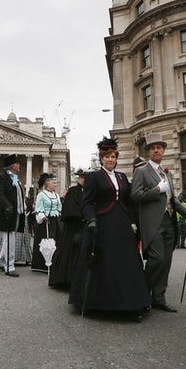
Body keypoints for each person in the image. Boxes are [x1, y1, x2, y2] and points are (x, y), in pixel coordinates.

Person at [69, 137, 151, 321]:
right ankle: (101, 303)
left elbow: (128, 201)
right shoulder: (94, 177)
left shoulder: (122, 177)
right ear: (101, 158)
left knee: (127, 262)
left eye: (113, 156)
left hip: (121, 223)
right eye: (107, 157)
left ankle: (132, 302)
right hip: (102, 224)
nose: (110, 160)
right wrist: (91, 219)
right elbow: (87, 202)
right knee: (105, 262)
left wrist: (134, 219)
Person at [131, 133, 186, 313]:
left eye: (159, 147)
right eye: (153, 148)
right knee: (157, 259)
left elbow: (172, 200)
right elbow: (135, 195)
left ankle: (158, 298)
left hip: (169, 221)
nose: (156, 150)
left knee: (166, 261)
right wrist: (156, 189)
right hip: (153, 223)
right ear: (148, 152)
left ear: (163, 150)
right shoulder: (141, 171)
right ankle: (141, 295)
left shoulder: (167, 173)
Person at [49, 168, 86, 288]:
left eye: (85, 177)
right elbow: (69, 208)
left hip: (85, 225)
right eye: (82, 177)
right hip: (74, 226)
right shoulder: (73, 191)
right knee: (70, 251)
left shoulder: (89, 190)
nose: (84, 179)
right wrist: (81, 215)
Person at [0, 154, 26, 277]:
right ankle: (9, 266)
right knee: (9, 240)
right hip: (7, 214)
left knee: (9, 239)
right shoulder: (2, 178)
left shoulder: (15, 179)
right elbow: (0, 194)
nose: (19, 166)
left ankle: (0, 262)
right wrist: (7, 206)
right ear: (13, 166)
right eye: (18, 164)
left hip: (16, 213)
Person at [32, 172, 63, 273]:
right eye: (54, 183)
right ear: (47, 183)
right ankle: (43, 264)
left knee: (56, 242)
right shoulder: (41, 195)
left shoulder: (56, 195)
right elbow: (39, 209)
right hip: (46, 221)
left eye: (56, 183)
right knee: (46, 243)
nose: (56, 185)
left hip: (56, 220)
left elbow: (59, 207)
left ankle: (55, 263)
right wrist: (43, 217)